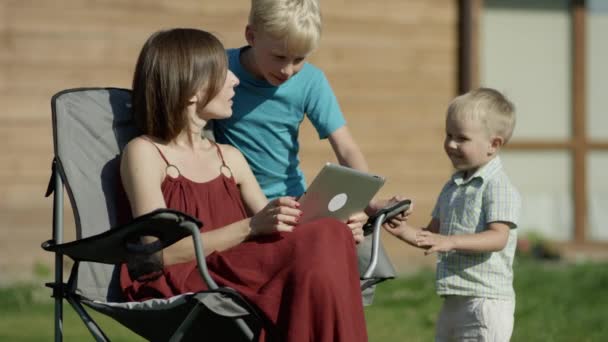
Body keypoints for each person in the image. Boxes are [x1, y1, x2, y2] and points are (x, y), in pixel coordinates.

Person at [118, 28, 372, 341]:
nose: (235, 80)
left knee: (330, 234)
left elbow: (284, 227)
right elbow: (156, 256)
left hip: (239, 269)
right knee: (323, 240)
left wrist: (337, 223)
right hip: (189, 276)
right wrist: (251, 227)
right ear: (192, 90)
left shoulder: (231, 157)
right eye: (222, 74)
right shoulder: (145, 153)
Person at [384, 88, 522, 342]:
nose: (450, 144)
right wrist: (402, 230)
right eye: (448, 135)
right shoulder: (453, 187)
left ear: (493, 144)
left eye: (462, 138)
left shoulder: (497, 186)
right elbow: (431, 236)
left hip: (484, 303)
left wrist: (451, 241)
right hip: (454, 299)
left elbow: (498, 237)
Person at [213, 0, 368, 201]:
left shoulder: (311, 81)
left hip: (288, 200)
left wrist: (366, 200)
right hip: (231, 202)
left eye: (298, 60)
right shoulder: (218, 69)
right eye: (279, 57)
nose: (287, 71)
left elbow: (346, 147)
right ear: (251, 36)